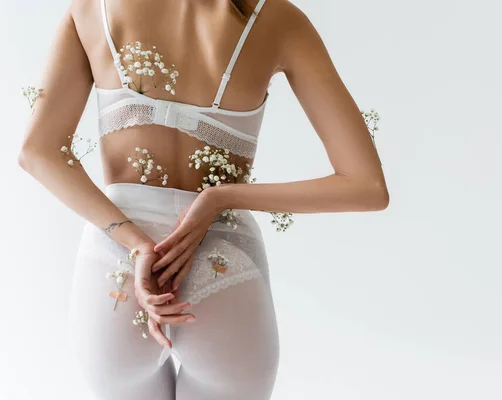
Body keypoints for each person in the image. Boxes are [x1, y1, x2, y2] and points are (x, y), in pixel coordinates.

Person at [17, 0, 390, 398]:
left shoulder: (96, 8)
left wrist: (137, 244)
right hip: (225, 261)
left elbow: (38, 152)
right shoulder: (277, 19)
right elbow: (366, 185)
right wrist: (219, 198)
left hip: (115, 266)